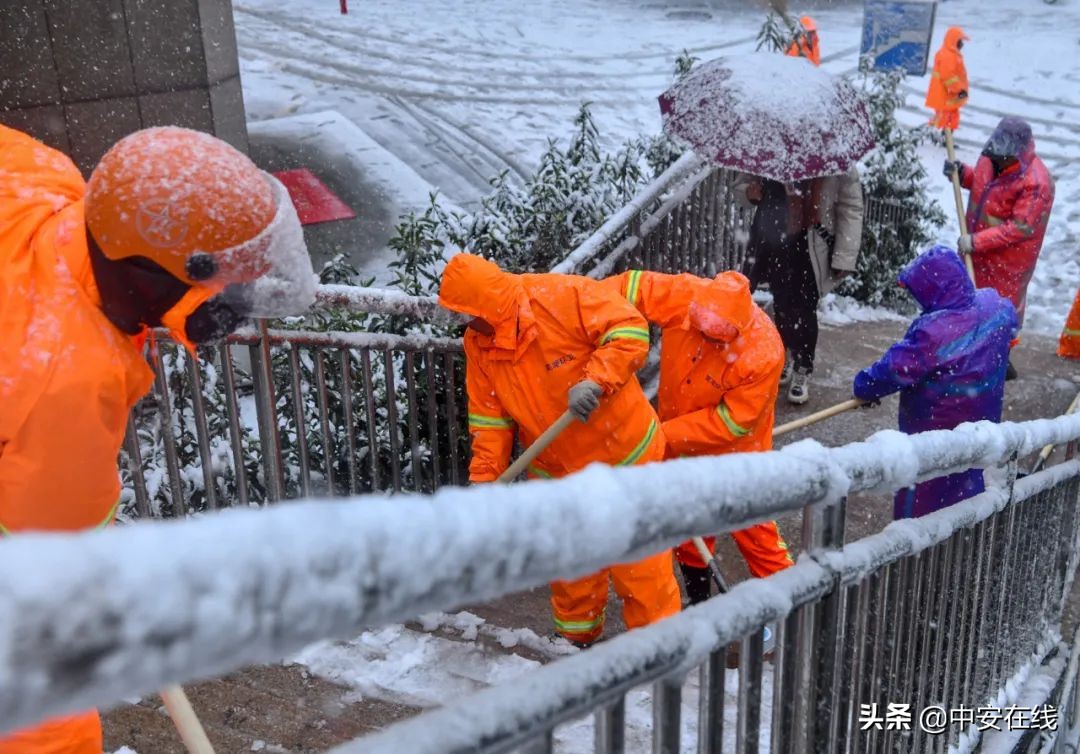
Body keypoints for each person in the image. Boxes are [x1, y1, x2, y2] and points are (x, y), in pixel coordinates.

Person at [0, 124, 314, 752]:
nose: (236, 298)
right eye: (223, 279)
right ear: (150, 274)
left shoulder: (43, 177)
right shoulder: (69, 383)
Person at [438, 253, 681, 647]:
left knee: (640, 567)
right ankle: (574, 645)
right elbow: (489, 418)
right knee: (572, 568)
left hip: (625, 459)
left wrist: (596, 379)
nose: (466, 325)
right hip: (559, 471)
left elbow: (630, 328)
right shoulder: (479, 344)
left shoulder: (561, 295)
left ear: (488, 305)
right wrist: (486, 481)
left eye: (467, 315)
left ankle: (659, 651)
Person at [605, 269, 793, 605]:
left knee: (756, 533)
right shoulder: (684, 294)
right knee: (690, 526)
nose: (705, 343)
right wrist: (582, 308)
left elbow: (733, 423)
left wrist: (663, 434)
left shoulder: (763, 352)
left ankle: (795, 601)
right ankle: (700, 601)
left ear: (735, 330)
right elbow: (628, 287)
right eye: (700, 332)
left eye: (715, 340)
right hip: (677, 437)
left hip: (738, 455)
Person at [852, 246, 1017, 519]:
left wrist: (864, 387)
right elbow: (1010, 326)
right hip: (979, 428)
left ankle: (919, 556)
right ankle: (960, 544)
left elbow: (892, 370)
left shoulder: (932, 333)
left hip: (933, 434)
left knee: (923, 505)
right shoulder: (996, 307)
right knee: (967, 490)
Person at [737, 168, 864, 405]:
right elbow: (741, 189)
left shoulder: (835, 159)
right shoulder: (769, 148)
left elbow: (850, 208)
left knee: (804, 309)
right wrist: (750, 192)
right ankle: (783, 355)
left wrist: (844, 257)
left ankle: (803, 366)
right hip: (771, 239)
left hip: (810, 243)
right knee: (782, 305)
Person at [944, 117, 1055, 365]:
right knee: (971, 304)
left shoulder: (1037, 183)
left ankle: (996, 363)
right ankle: (973, 358)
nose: (996, 159)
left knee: (999, 311)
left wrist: (976, 242)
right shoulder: (991, 158)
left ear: (1018, 152)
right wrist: (962, 175)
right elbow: (984, 187)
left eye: (1003, 156)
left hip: (1008, 262)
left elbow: (1019, 227)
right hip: (977, 251)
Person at [925, 26, 970, 130]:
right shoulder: (948, 56)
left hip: (945, 94)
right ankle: (938, 139)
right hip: (945, 95)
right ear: (954, 41)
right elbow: (948, 77)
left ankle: (943, 139)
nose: (962, 44)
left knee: (948, 118)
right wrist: (959, 90)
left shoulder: (948, 54)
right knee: (944, 119)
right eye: (960, 41)